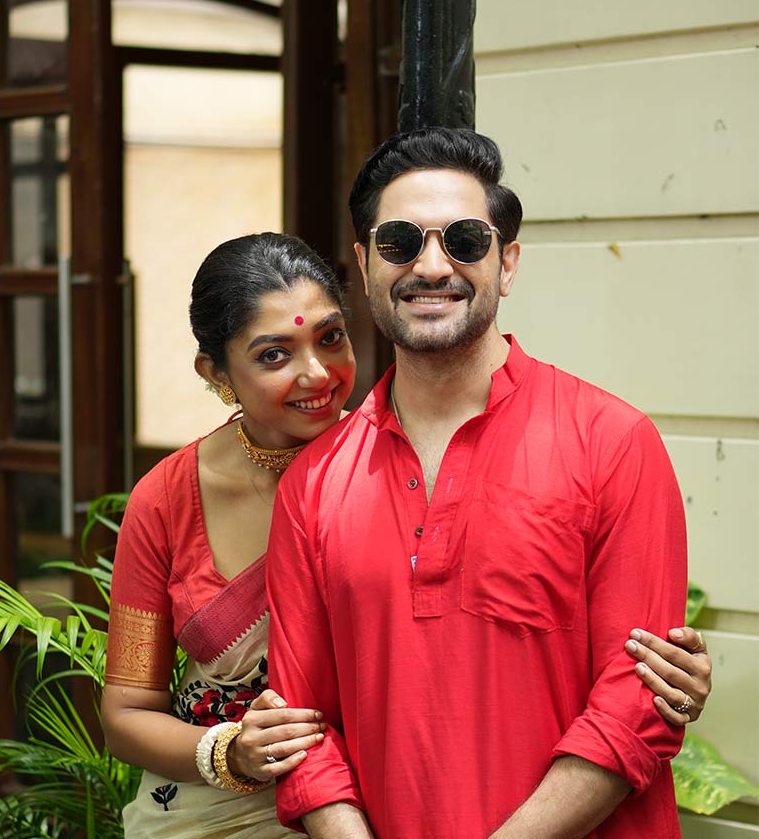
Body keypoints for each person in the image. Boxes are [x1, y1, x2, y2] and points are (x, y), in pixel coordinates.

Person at [102, 231, 710, 838]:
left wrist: (658, 681)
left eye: (330, 338)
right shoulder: (163, 502)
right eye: (274, 355)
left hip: (380, 801)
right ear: (216, 371)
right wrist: (230, 753)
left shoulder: (411, 452)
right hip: (229, 810)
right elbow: (127, 712)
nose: (317, 373)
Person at [265, 129, 704, 838]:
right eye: (400, 242)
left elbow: (637, 707)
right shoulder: (314, 482)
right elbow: (297, 729)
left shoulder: (613, 442)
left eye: (466, 240)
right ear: (364, 264)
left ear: (507, 264)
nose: (432, 265)